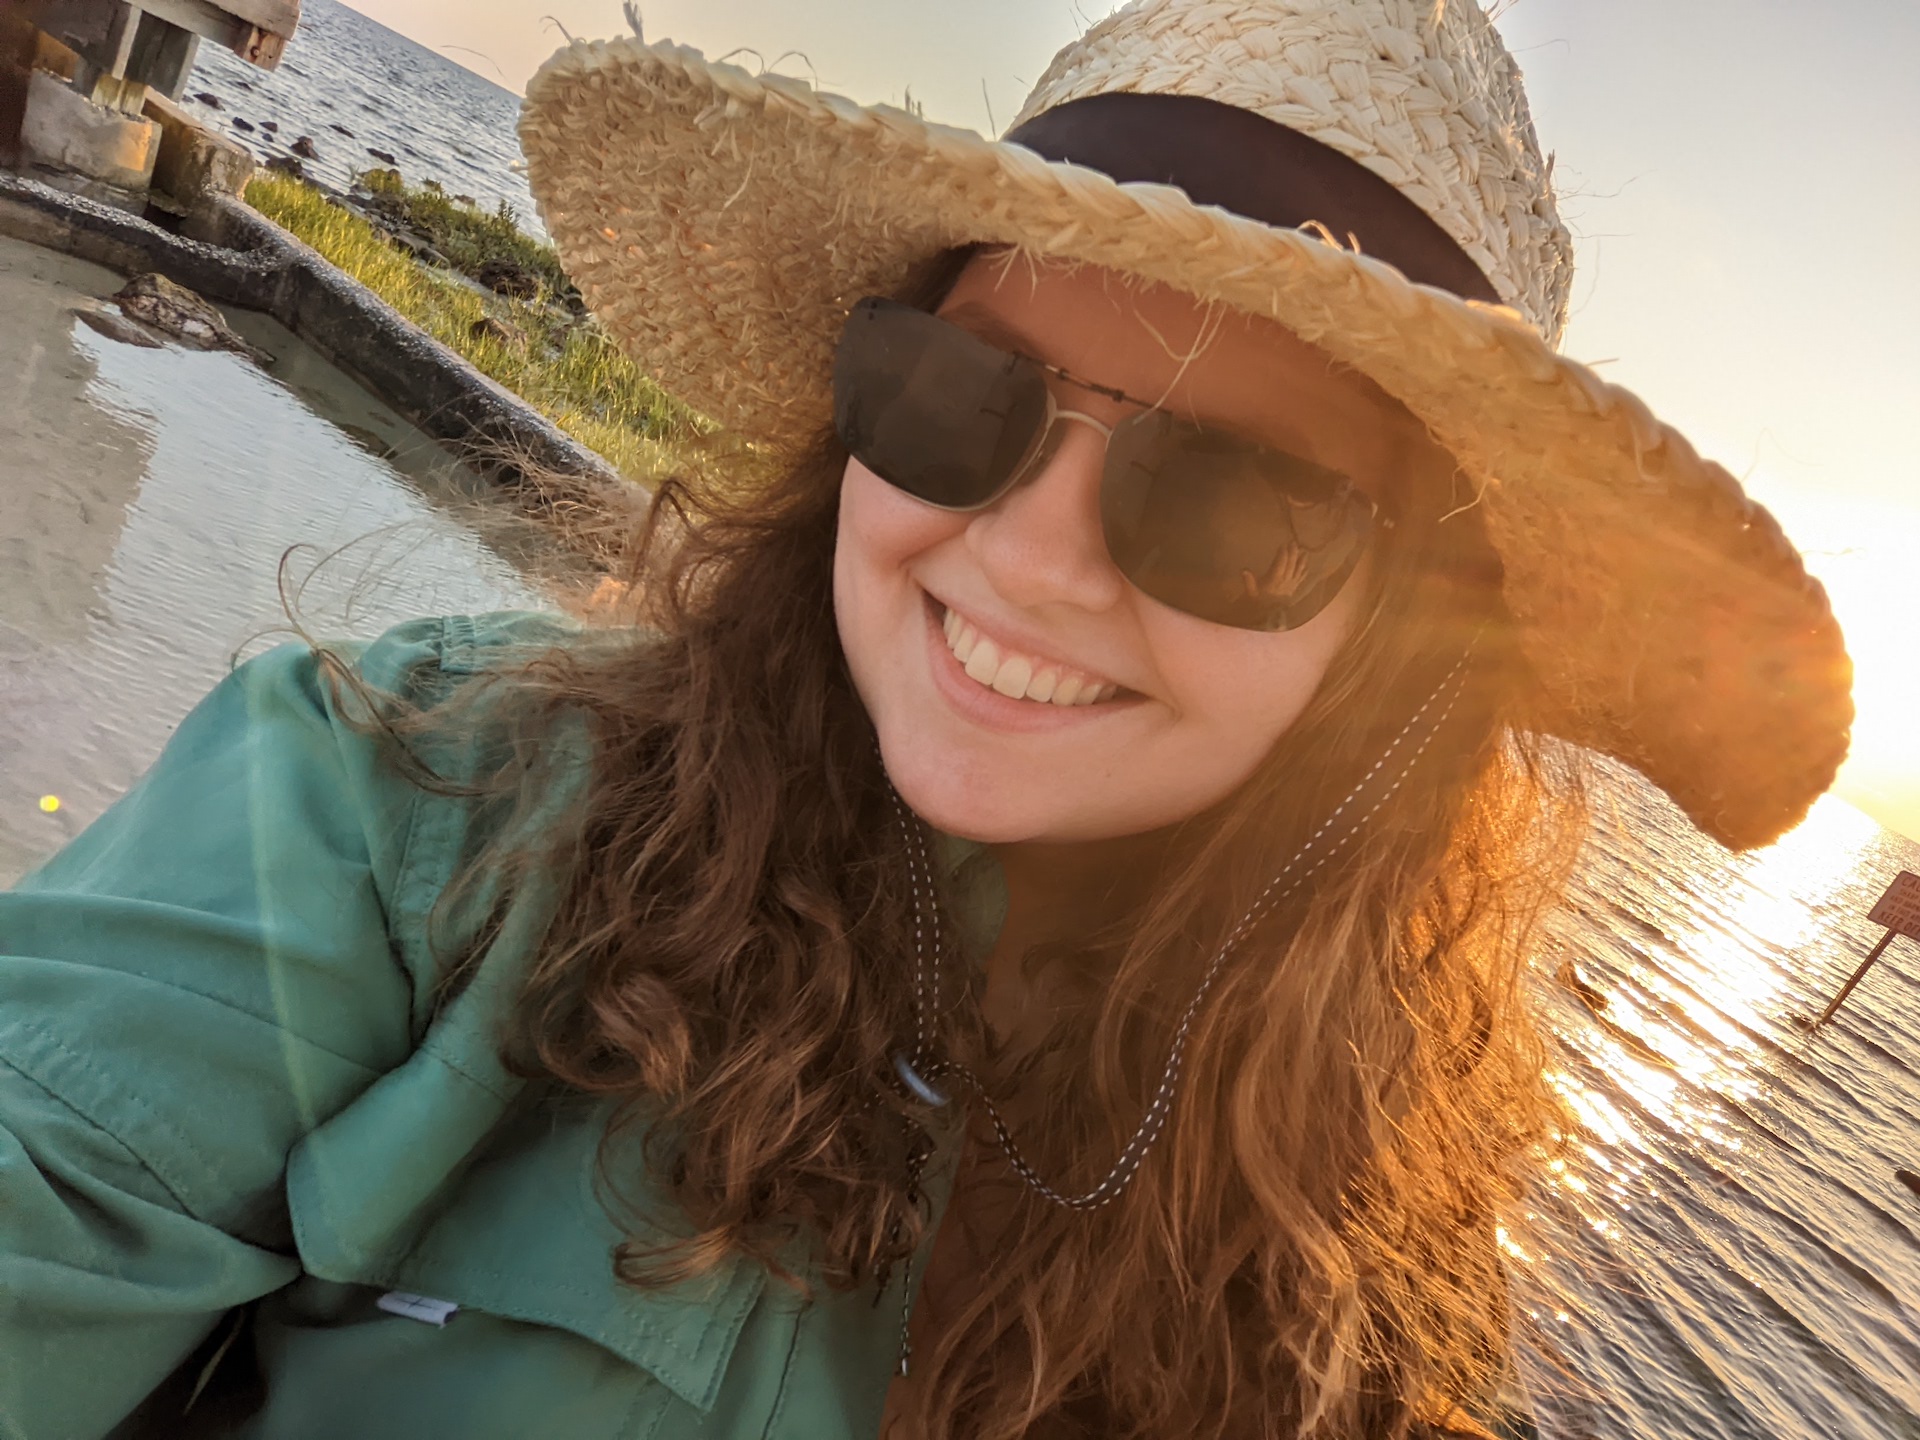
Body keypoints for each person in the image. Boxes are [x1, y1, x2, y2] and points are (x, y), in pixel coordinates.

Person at [0, 2, 1851, 1438]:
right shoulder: (411, 798)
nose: (1029, 560)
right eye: (967, 397)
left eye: (1231, 503)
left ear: (1397, 646)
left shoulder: (1345, 1257)